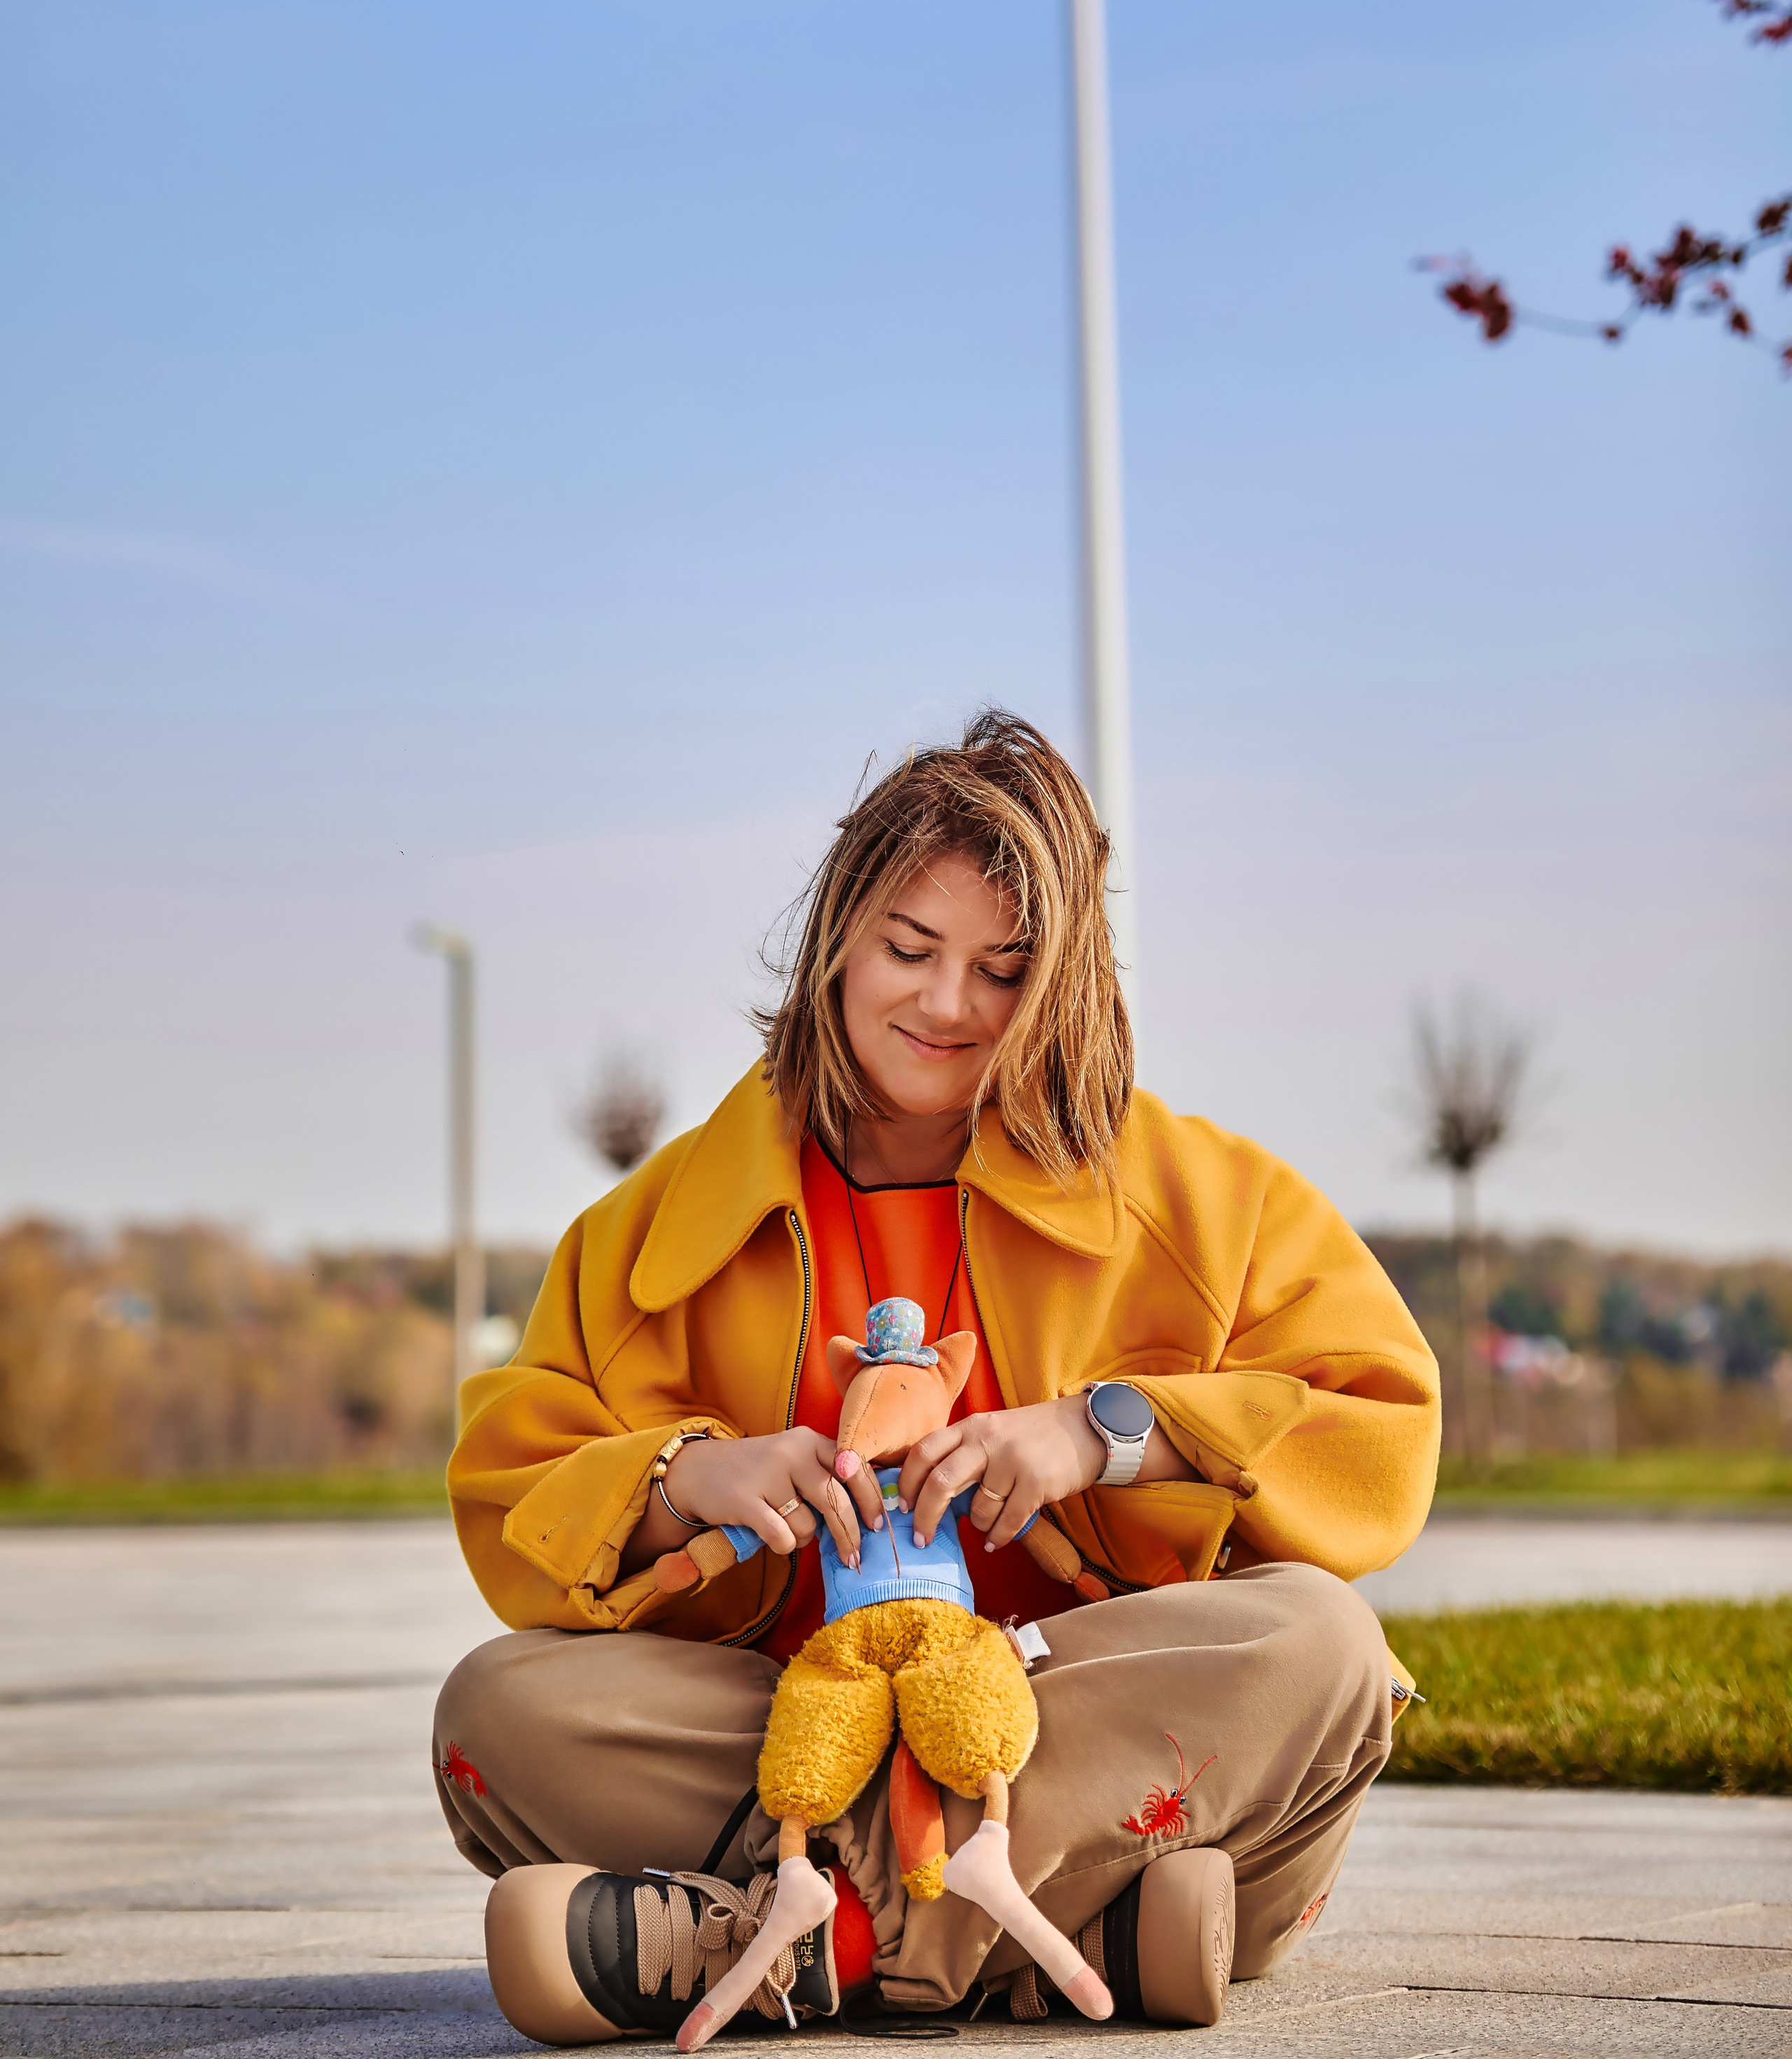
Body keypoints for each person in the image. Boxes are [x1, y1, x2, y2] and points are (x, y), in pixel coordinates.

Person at [435, 711, 1440, 2044]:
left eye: (1004, 970)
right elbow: (512, 1483)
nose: (947, 1004)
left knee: (1316, 1647)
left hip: (1062, 1706)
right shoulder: (654, 1228)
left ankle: (801, 1936)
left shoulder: (1204, 1199)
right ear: (837, 939)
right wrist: (689, 1478)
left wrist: (1107, 1434)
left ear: (1065, 981)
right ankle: (1063, 1945)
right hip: (798, 1718)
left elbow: (1382, 1426)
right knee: (500, 1708)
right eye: (911, 950)